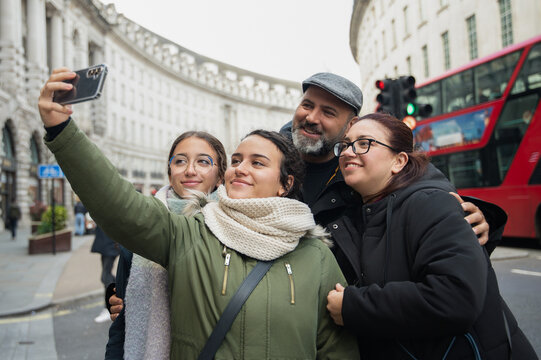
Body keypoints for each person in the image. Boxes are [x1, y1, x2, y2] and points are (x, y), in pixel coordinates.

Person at [38, 68, 359, 359]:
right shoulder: (190, 232)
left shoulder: (316, 255)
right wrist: (63, 130)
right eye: (235, 160)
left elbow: (336, 349)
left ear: (284, 183)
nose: (241, 169)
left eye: (257, 163)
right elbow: (120, 206)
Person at [326, 112, 537, 359]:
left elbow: (455, 297)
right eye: (346, 145)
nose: (350, 151)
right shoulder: (361, 215)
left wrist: (354, 307)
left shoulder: (430, 202)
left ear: (399, 161)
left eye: (364, 143)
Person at [280, 72, 507, 284]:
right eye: (307, 105)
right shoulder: (269, 155)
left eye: (328, 112)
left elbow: (431, 189)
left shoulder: (365, 162)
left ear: (350, 124)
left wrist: (472, 216)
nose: (311, 117)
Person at [105, 131, 227, 359]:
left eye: (203, 161)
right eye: (180, 161)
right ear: (170, 173)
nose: (190, 170)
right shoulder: (141, 228)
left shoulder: (236, 227)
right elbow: (120, 327)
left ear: (220, 176)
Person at [91, 225, 120, 323]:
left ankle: (109, 308)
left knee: (105, 277)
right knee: (105, 277)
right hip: (106, 242)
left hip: (110, 243)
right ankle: (120, 292)